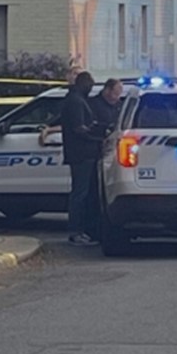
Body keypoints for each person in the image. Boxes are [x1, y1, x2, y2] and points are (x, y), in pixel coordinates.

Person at [61, 71, 106, 246]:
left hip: (83, 153)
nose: (91, 89)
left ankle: (82, 231)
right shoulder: (76, 101)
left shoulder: (76, 100)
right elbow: (79, 129)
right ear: (83, 84)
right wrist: (98, 138)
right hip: (81, 153)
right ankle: (76, 232)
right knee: (79, 194)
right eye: (90, 85)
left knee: (82, 193)